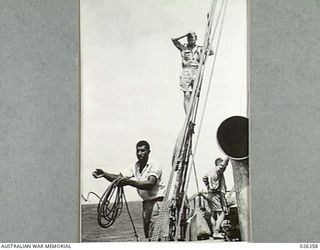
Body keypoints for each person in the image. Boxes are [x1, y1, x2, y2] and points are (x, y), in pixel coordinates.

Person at [92, 140, 166, 239]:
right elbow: (118, 178)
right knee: (149, 235)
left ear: (149, 151)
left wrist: (129, 182)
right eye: (138, 151)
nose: (140, 154)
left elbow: (150, 184)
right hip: (146, 205)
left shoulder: (154, 165)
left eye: (143, 151)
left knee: (157, 236)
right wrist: (104, 174)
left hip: (157, 204)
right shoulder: (134, 166)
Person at [171, 31, 213, 114]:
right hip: (186, 70)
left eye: (192, 37)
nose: (190, 39)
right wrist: (185, 34)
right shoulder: (183, 47)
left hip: (196, 70)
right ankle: (187, 115)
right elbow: (173, 40)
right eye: (189, 38)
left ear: (196, 39)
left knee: (195, 93)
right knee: (186, 94)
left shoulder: (200, 48)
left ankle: (192, 113)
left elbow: (211, 52)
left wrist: (208, 40)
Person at [203, 157, 229, 239]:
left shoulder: (210, 171)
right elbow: (223, 165)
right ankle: (216, 231)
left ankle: (214, 231)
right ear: (219, 163)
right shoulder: (218, 170)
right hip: (216, 194)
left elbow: (204, 177)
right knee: (223, 212)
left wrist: (208, 186)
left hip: (210, 194)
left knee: (213, 214)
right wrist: (228, 157)